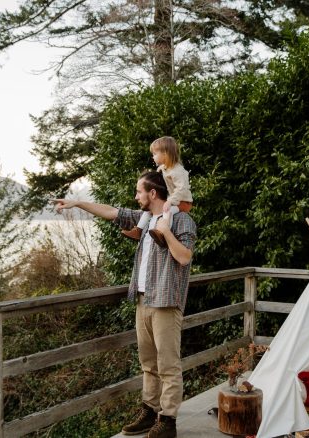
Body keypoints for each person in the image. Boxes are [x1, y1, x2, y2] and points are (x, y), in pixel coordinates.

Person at [54, 170, 196, 438]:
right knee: (148, 363)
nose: (136, 196)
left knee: (168, 365)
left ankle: (168, 421)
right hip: (143, 300)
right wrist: (77, 203)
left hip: (166, 303)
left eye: (139, 191)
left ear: (152, 193)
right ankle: (150, 411)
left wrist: (166, 232)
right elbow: (111, 212)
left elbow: (185, 257)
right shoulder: (144, 219)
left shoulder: (181, 220)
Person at [122, 136, 193, 247]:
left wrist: (169, 201)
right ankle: (138, 230)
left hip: (183, 202)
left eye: (155, 154)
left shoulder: (178, 171)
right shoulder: (165, 168)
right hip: (173, 200)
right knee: (149, 210)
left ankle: (162, 233)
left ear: (165, 154)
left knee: (168, 211)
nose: (153, 157)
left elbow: (182, 189)